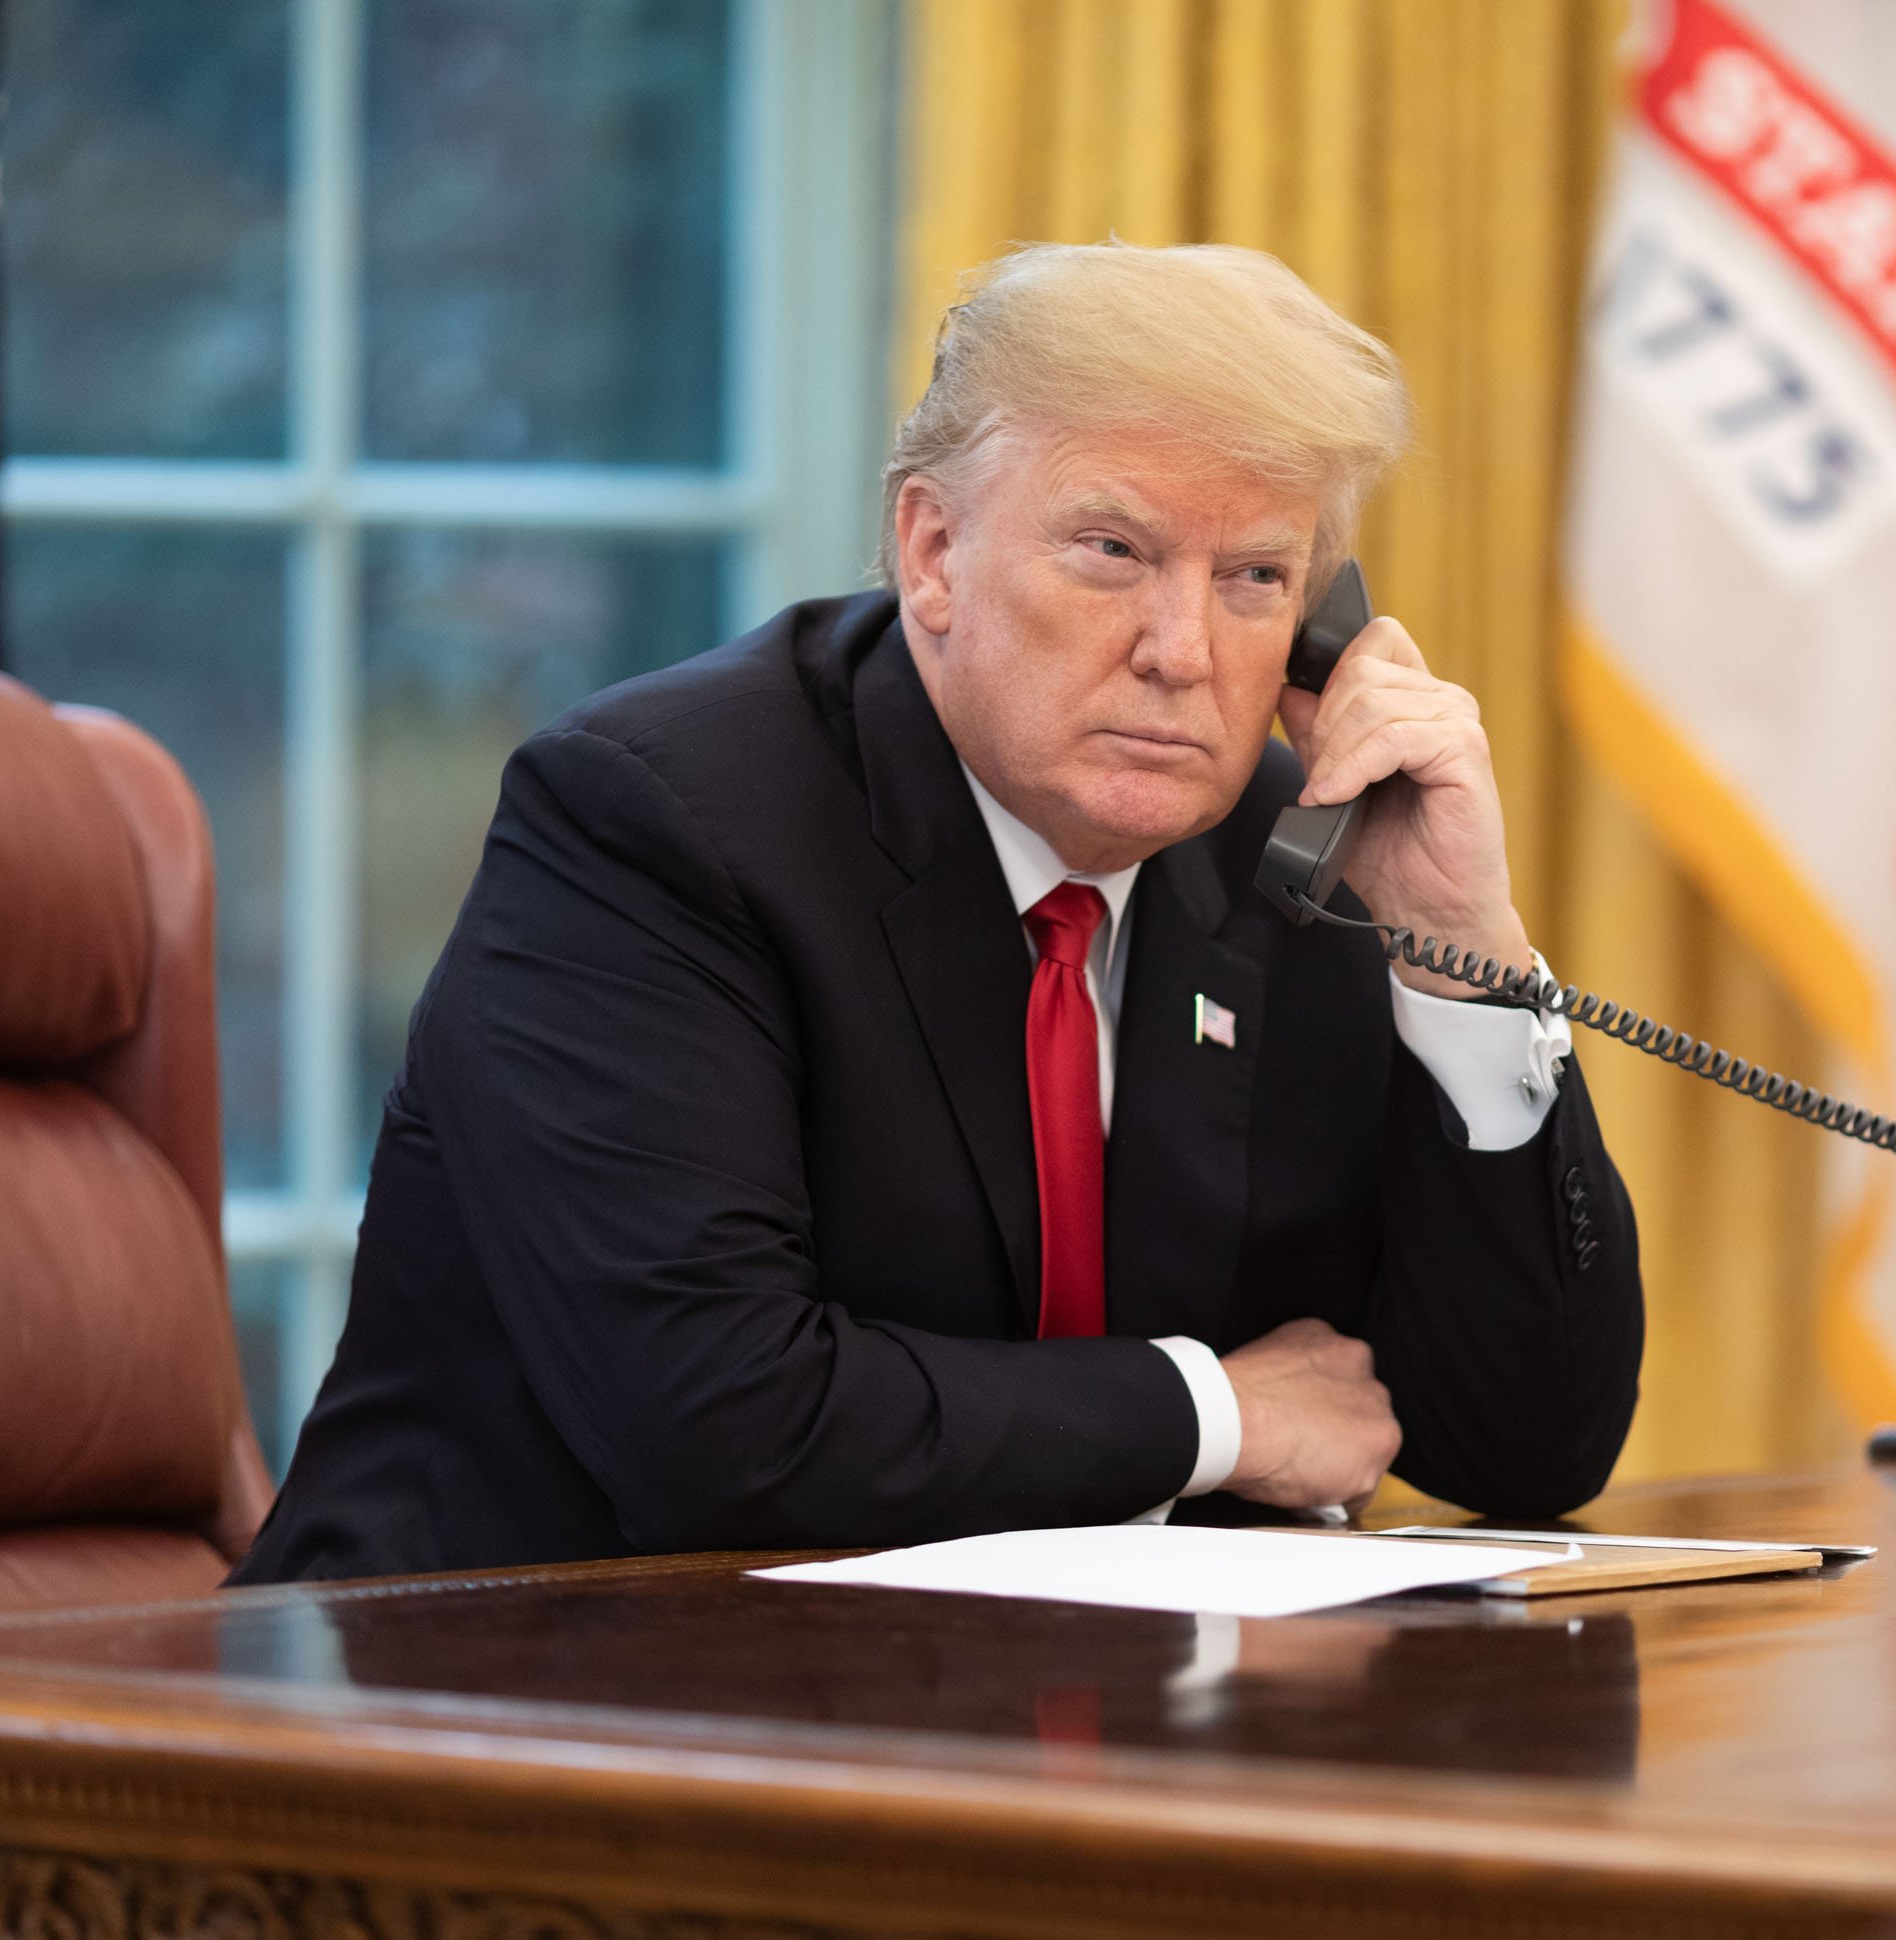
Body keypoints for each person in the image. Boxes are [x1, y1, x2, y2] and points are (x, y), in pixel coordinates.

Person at [233, 243, 1643, 1583]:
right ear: (932, 551)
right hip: (482, 1714)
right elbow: (722, 1432)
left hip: (1024, 1727)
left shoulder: (1300, 861)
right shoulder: (653, 826)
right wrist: (1216, 1411)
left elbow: (1525, 1450)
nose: (1180, 653)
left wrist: (1466, 956)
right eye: (1112, 550)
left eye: (1255, 579)